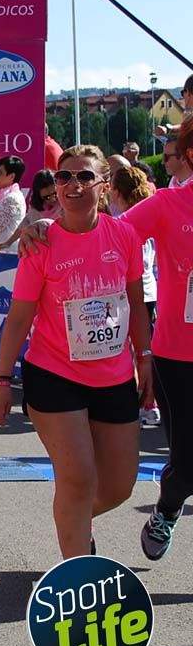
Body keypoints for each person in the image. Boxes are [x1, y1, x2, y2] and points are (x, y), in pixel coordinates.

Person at [0, 145, 150, 559]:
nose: (73, 185)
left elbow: (134, 304)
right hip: (54, 374)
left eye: (84, 177)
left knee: (118, 486)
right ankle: (78, 577)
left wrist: (144, 358)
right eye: (64, 178)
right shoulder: (40, 243)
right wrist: (2, 380)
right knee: (77, 478)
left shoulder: (125, 236)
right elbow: (20, 318)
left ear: (103, 186)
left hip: (113, 377)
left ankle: (73, 519)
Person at [120, 117, 193, 560]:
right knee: (188, 466)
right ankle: (167, 506)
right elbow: (109, 234)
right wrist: (52, 228)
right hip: (179, 356)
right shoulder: (168, 205)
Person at [109, 165, 161, 427]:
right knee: (141, 351)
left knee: (136, 352)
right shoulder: (145, 212)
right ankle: (147, 404)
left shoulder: (129, 219)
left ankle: (147, 405)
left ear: (116, 192)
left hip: (135, 292)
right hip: (147, 291)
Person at [0, 170, 57, 253]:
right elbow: (26, 222)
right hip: (41, 251)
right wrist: (8, 243)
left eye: (55, 194)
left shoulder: (66, 202)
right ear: (39, 196)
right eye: (47, 197)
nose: (53, 199)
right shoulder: (35, 206)